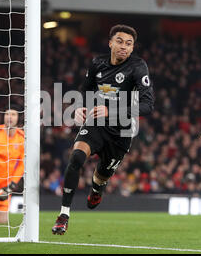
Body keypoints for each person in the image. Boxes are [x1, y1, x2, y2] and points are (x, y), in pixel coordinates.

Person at [52, 24, 154, 235]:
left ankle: (97, 188)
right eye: (119, 41)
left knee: (102, 175)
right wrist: (80, 106)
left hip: (122, 132)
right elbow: (86, 89)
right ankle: (63, 215)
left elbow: (147, 105)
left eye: (129, 43)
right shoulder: (97, 63)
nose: (124, 47)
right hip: (96, 123)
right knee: (77, 158)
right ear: (110, 43)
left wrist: (111, 111)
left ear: (133, 48)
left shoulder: (138, 67)